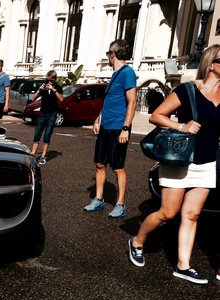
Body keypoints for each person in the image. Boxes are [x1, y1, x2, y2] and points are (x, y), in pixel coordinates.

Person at [128, 44, 220, 284]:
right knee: (168, 214)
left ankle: (183, 265)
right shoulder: (188, 90)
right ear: (212, 64)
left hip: (206, 162)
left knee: (192, 214)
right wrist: (182, 126)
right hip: (180, 159)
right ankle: (137, 241)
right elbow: (155, 116)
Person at [84, 39, 137, 218]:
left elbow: (133, 102)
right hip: (106, 126)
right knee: (100, 164)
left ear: (112, 54)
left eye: (108, 53)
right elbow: (109, 100)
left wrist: (126, 128)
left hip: (117, 128)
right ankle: (98, 200)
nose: (107, 57)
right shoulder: (115, 74)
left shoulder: (127, 72)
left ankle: (120, 204)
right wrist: (98, 119)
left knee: (117, 167)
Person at [30, 70, 63, 165]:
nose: (49, 82)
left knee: (47, 135)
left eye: (51, 81)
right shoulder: (43, 87)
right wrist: (39, 90)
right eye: (47, 80)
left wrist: (53, 89)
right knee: (37, 134)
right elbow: (33, 98)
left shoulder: (58, 87)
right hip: (43, 114)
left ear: (55, 79)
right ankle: (33, 154)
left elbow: (61, 98)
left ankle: (43, 156)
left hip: (52, 114)